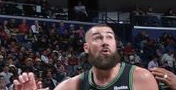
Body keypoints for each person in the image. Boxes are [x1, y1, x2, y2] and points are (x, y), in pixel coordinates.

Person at [13, 24, 157, 90]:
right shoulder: (69, 86)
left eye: (109, 37)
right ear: (86, 48)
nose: (105, 42)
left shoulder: (140, 78)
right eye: (98, 38)